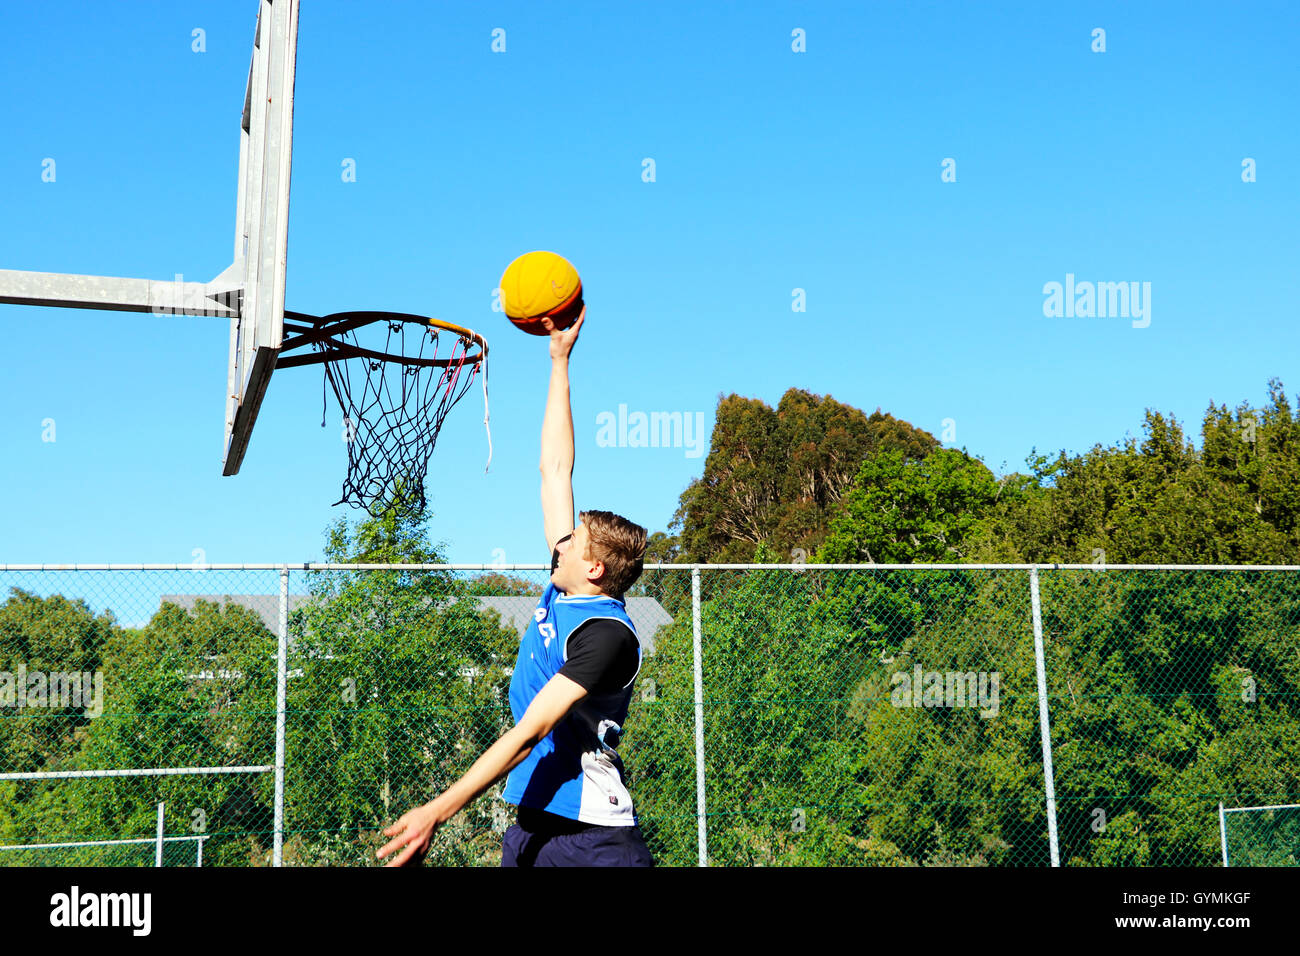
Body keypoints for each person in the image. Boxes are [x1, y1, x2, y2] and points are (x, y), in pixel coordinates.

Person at [377, 307, 655, 867]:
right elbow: (555, 469)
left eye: (573, 539)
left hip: (592, 838)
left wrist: (439, 809)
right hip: (532, 827)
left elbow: (531, 734)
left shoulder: (606, 635)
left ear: (595, 568)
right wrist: (559, 361)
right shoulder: (568, 586)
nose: (560, 541)